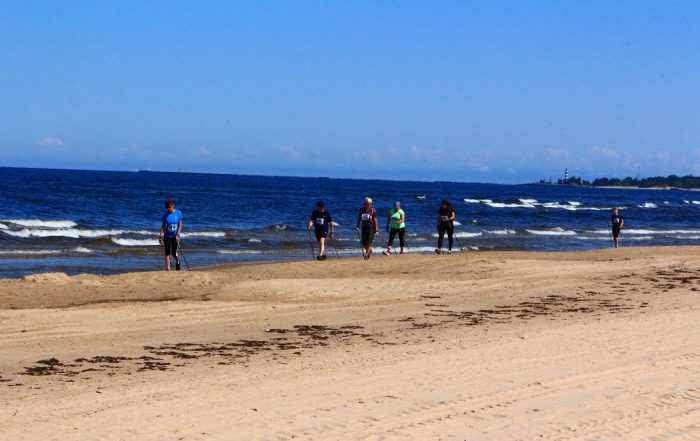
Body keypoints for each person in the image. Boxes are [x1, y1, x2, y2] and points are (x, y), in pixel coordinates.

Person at [159, 199, 183, 271]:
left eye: (169, 207)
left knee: (173, 252)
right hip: (167, 236)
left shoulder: (178, 213)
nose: (168, 209)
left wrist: (178, 234)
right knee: (167, 252)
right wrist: (160, 235)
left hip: (175, 236)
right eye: (167, 207)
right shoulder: (166, 214)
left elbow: (180, 224)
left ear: (173, 206)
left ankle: (177, 261)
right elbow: (163, 225)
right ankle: (168, 268)